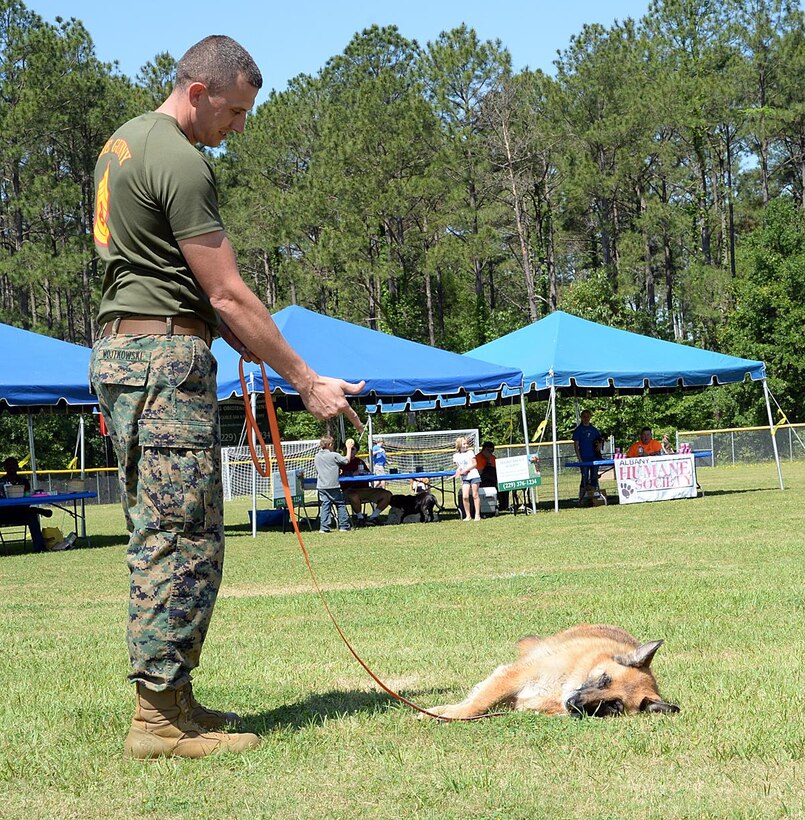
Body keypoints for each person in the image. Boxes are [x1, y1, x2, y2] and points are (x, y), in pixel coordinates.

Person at [88, 36, 365, 760]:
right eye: (235, 112)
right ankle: (156, 723)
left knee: (173, 531)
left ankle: (175, 702)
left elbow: (189, 290)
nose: (237, 129)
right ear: (199, 90)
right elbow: (227, 293)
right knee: (179, 539)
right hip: (162, 361)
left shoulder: (123, 143)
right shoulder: (180, 158)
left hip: (129, 353)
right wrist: (305, 381)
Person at [0, 456, 48, 552]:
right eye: (9, 465)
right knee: (32, 511)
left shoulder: (24, 481)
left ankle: (40, 548)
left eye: (13, 465)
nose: (11, 467)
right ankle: (37, 510)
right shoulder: (1, 482)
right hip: (4, 514)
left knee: (32, 515)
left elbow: (27, 498)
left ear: (18, 467)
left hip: (20, 512)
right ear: (5, 468)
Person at [340, 438, 392, 526]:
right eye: (348, 449)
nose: (350, 451)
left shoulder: (360, 461)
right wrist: (353, 474)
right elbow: (339, 478)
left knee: (387, 494)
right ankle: (360, 518)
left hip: (365, 490)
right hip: (349, 491)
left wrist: (367, 474)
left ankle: (373, 517)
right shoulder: (340, 461)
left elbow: (368, 474)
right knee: (354, 496)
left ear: (356, 451)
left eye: (353, 449)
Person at [314, 435, 352, 532]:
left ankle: (324, 527)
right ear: (330, 444)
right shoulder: (334, 455)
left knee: (325, 505)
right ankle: (344, 525)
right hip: (333, 485)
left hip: (321, 485)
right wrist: (349, 448)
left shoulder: (317, 456)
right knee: (340, 504)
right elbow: (346, 460)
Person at [572, 410, 603, 502]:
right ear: (581, 417)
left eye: (588, 416)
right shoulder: (578, 430)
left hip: (594, 457)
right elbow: (576, 446)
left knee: (594, 477)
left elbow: (600, 440)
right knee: (584, 477)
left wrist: (599, 446)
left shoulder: (594, 430)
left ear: (590, 417)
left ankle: (594, 498)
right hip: (584, 458)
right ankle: (582, 498)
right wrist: (579, 458)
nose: (586, 418)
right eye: (584, 416)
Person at [475, 441, 509, 511]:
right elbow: (479, 473)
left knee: (504, 486)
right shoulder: (477, 458)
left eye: (491, 450)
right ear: (483, 450)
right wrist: (487, 461)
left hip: (494, 479)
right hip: (482, 481)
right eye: (487, 450)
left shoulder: (493, 458)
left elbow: (498, 471)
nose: (490, 452)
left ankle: (504, 506)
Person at [453, 436, 481, 521]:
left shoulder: (470, 453)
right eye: (464, 443)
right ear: (459, 445)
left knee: (475, 495)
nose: (466, 445)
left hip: (474, 476)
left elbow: (474, 464)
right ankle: (468, 515)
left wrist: (466, 469)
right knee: (465, 496)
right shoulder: (456, 456)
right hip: (465, 478)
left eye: (466, 443)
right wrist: (459, 473)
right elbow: (458, 467)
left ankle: (477, 515)